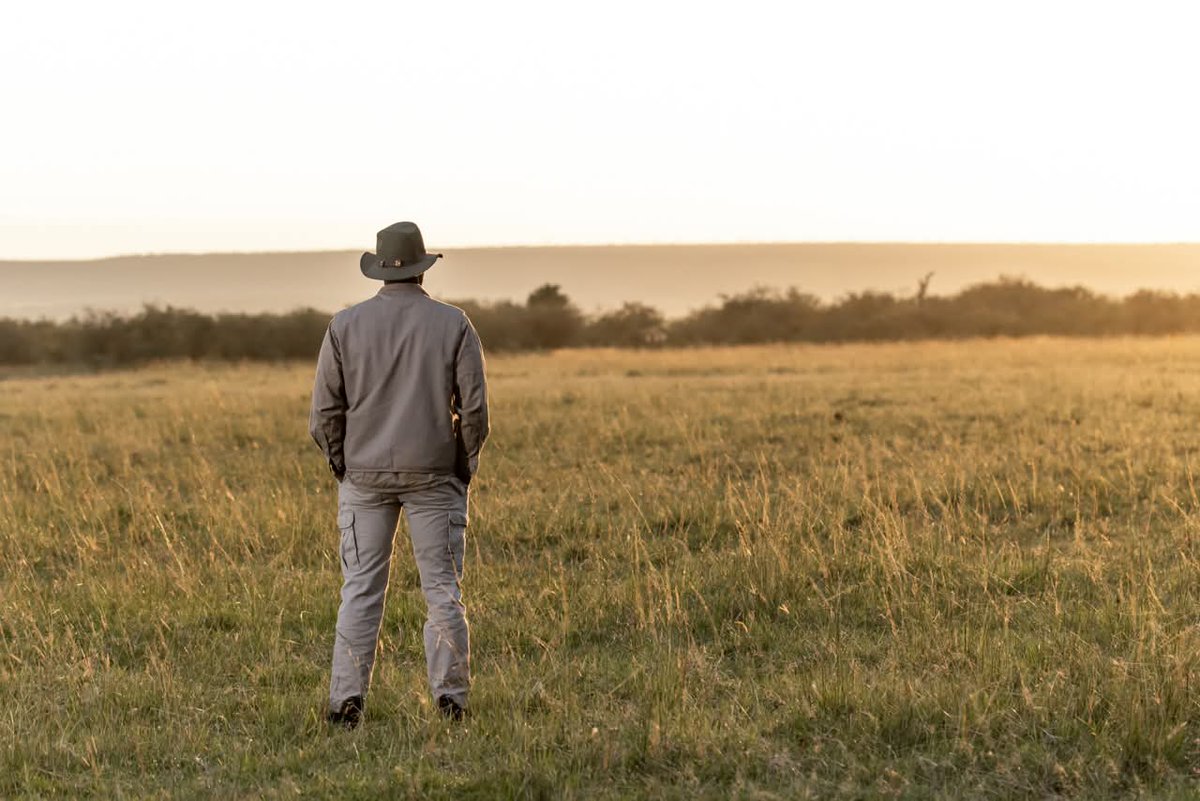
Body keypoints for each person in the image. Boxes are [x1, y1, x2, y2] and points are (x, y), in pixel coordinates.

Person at [309, 221, 489, 728]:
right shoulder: (454, 324)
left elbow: (324, 412)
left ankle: (347, 703)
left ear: (380, 270)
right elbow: (474, 410)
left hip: (363, 476)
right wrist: (464, 463)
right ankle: (450, 700)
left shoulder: (344, 325)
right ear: (422, 267)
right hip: (436, 474)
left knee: (360, 588)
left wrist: (342, 462)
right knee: (442, 589)